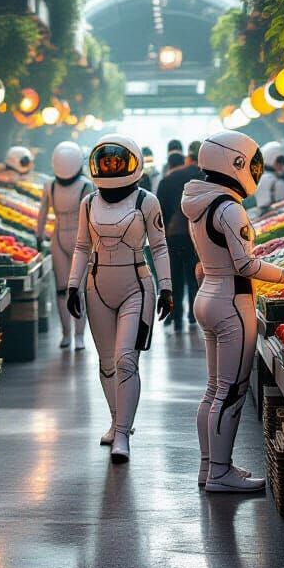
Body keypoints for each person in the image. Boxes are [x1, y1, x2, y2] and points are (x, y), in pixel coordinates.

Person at [181, 131, 284, 492]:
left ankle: (210, 467)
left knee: (213, 390)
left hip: (208, 295)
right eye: (250, 164)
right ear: (237, 163)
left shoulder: (199, 203)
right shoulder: (229, 207)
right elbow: (245, 264)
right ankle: (221, 473)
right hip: (232, 301)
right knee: (231, 391)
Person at [66, 135, 173, 464]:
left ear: (133, 162)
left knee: (126, 359)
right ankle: (116, 421)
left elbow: (159, 246)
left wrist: (166, 286)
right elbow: (82, 246)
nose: (111, 167)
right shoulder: (88, 202)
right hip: (97, 285)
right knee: (107, 363)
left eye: (117, 161)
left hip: (136, 285)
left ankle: (123, 433)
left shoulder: (146, 201)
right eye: (106, 162)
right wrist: (73, 284)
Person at [36, 141, 93, 350]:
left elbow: (42, 212)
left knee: (64, 290)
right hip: (78, 239)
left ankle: (72, 334)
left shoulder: (53, 185)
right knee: (73, 290)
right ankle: (73, 335)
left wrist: (38, 235)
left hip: (61, 238)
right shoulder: (84, 185)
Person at [157, 145, 205, 330]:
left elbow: (160, 213)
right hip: (194, 234)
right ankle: (193, 315)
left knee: (175, 276)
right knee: (193, 274)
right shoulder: (197, 175)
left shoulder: (166, 180)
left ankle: (176, 317)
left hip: (173, 235)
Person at [254, 141, 284, 215]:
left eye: (282, 161)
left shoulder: (281, 175)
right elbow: (263, 208)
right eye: (278, 161)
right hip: (276, 216)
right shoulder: (265, 180)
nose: (282, 165)